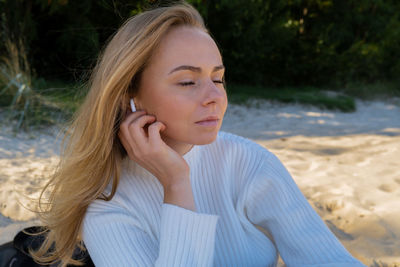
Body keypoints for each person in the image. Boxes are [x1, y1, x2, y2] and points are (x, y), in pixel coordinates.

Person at [31, 1, 366, 266]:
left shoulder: (248, 163)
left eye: (217, 78)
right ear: (130, 94)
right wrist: (176, 182)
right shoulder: (108, 202)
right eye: (188, 82)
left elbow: (330, 260)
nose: (215, 96)